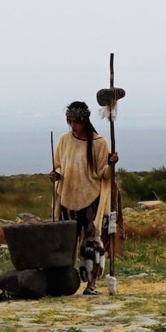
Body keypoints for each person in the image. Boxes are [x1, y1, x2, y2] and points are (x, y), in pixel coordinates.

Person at [51, 99, 116, 293]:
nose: (73, 126)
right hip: (67, 196)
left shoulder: (99, 143)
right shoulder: (64, 139)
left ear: (84, 121)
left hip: (91, 197)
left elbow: (103, 173)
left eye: (76, 122)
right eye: (70, 121)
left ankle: (92, 283)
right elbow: (59, 164)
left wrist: (111, 164)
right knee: (66, 241)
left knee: (91, 240)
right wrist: (56, 174)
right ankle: (63, 281)